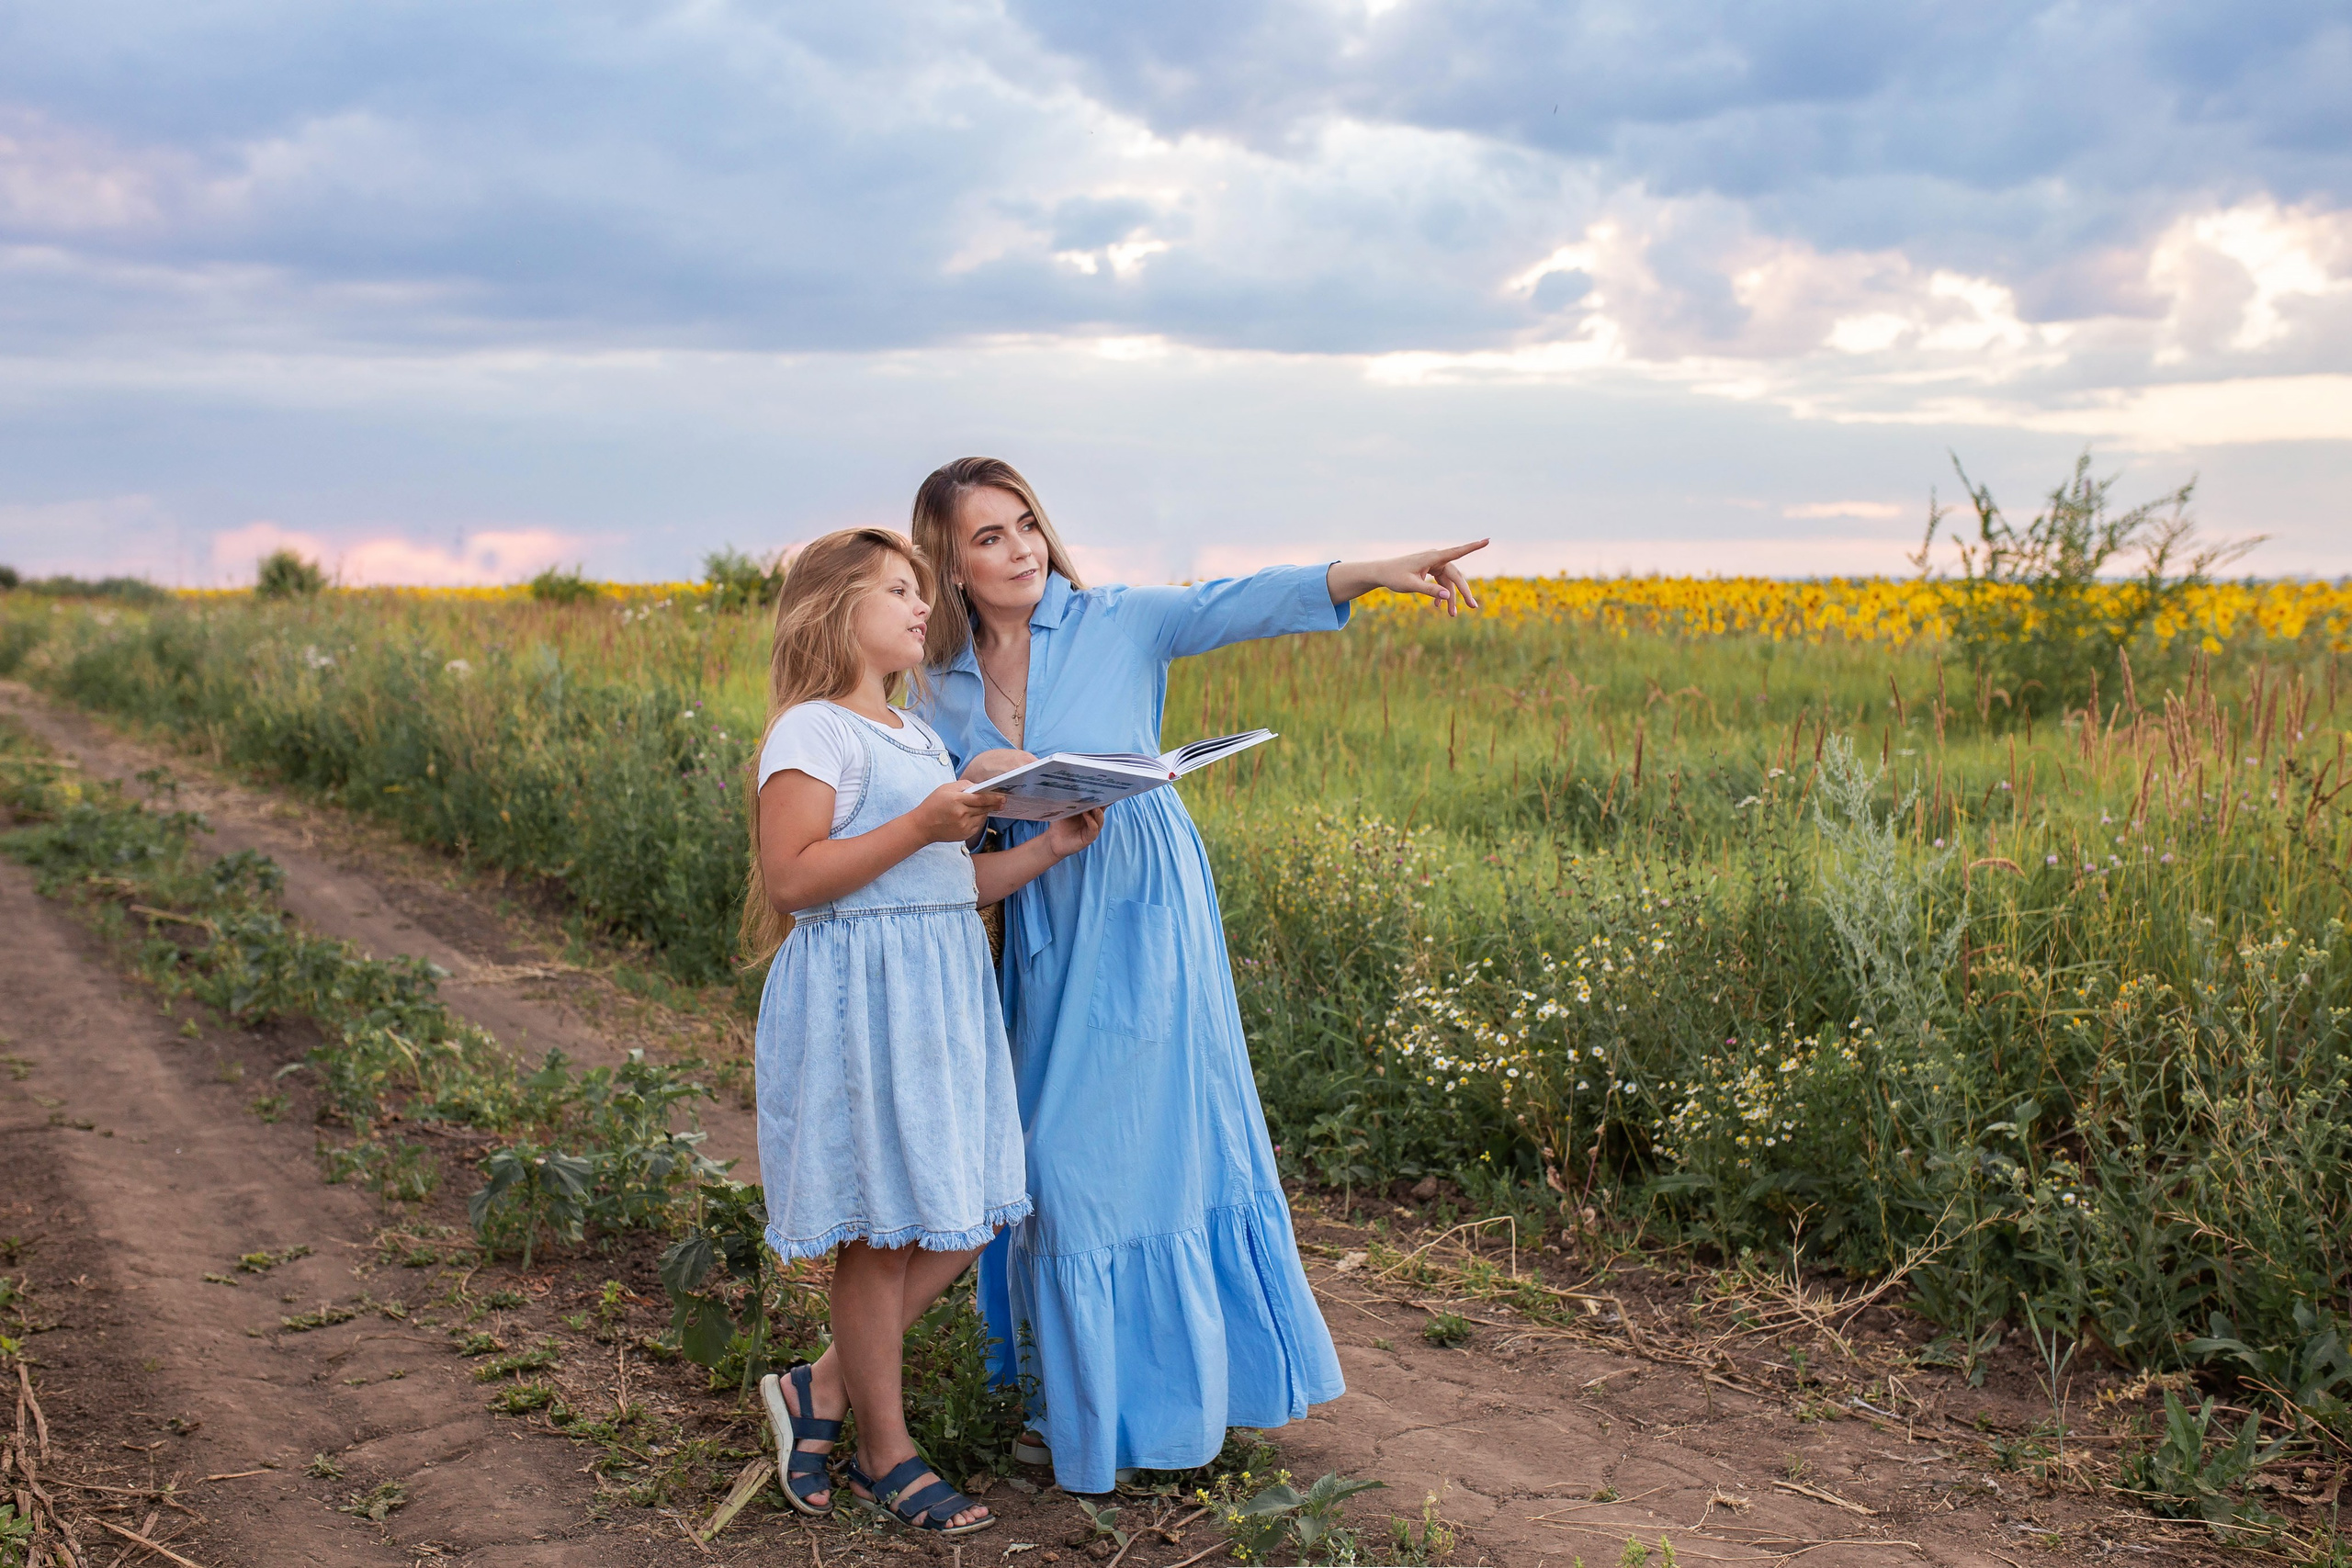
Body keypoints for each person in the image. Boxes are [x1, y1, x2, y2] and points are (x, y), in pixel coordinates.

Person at [910, 457, 1485, 1493]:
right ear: (948, 564)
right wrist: (978, 786)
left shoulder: (1114, 619)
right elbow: (931, 805)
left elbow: (1238, 602)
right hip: (1038, 910)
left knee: (1164, 1137)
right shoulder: (934, 680)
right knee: (1058, 1160)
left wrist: (1375, 571)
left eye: (1027, 523)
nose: (1020, 548)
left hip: (1143, 902)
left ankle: (1179, 1396)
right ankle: (1074, 1399)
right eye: (989, 537)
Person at [741, 525, 1103, 1534]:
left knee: (975, 1203)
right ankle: (881, 1453)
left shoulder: (914, 735)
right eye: (896, 591)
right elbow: (793, 879)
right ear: (834, 611)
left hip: (940, 989)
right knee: (882, 1231)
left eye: (917, 590)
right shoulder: (812, 731)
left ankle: (818, 1386)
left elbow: (949, 884)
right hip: (862, 998)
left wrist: (1052, 849)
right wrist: (919, 823)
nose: (918, 607)